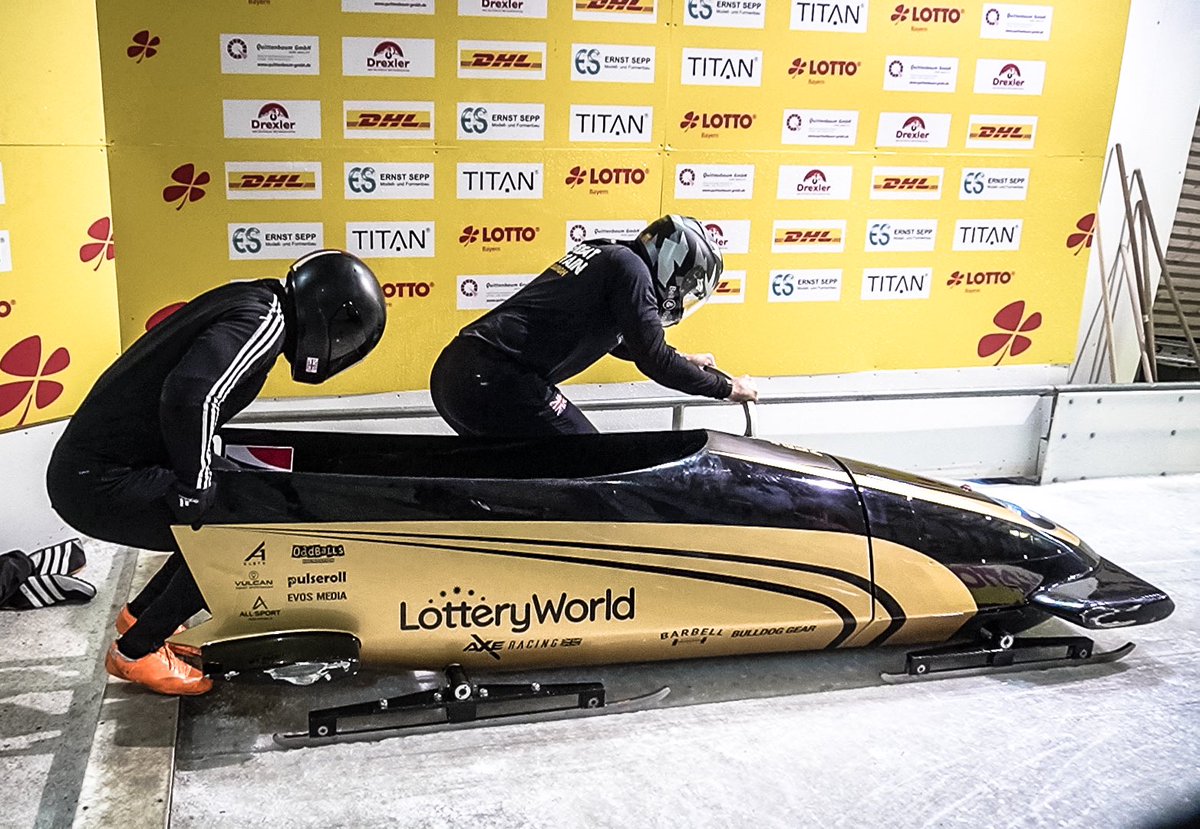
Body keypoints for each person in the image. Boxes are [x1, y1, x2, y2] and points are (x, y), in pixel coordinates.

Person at [46, 250, 387, 695]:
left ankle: (144, 615)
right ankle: (137, 651)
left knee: (238, 498)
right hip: (100, 482)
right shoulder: (264, 321)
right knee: (243, 532)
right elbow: (191, 394)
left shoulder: (256, 300)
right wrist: (195, 481)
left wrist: (202, 475)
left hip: (97, 469)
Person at [431, 214, 757, 436]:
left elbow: (622, 339)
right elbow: (653, 361)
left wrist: (683, 359)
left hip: (459, 374)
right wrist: (728, 389)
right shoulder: (633, 273)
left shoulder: (611, 254)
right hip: (495, 379)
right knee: (591, 460)